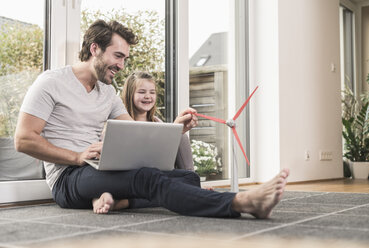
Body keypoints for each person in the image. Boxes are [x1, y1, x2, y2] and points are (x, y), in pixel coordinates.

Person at [15, 19, 289, 218]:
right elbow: (24, 140)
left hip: (98, 168)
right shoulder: (51, 82)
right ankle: (241, 203)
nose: (121, 66)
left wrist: (175, 130)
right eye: (118, 56)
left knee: (188, 178)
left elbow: (137, 134)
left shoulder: (107, 92)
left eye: (125, 59)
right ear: (95, 49)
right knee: (148, 179)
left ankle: (118, 201)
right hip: (68, 177)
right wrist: (76, 156)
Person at [122, 71, 194, 171]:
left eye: (152, 92)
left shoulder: (158, 123)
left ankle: (191, 181)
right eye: (142, 92)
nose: (148, 96)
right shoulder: (120, 125)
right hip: (135, 175)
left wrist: (175, 132)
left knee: (181, 136)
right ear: (130, 95)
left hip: (162, 173)